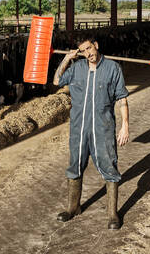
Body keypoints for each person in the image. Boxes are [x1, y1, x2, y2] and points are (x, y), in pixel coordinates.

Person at [53, 36, 129, 230]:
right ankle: (73, 207)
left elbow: (122, 98)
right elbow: (57, 81)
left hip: (103, 128)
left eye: (89, 48)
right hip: (79, 128)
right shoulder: (77, 68)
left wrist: (125, 125)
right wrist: (67, 59)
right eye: (83, 51)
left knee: (109, 167)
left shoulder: (113, 68)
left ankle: (112, 214)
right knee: (75, 165)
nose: (88, 54)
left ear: (96, 45)